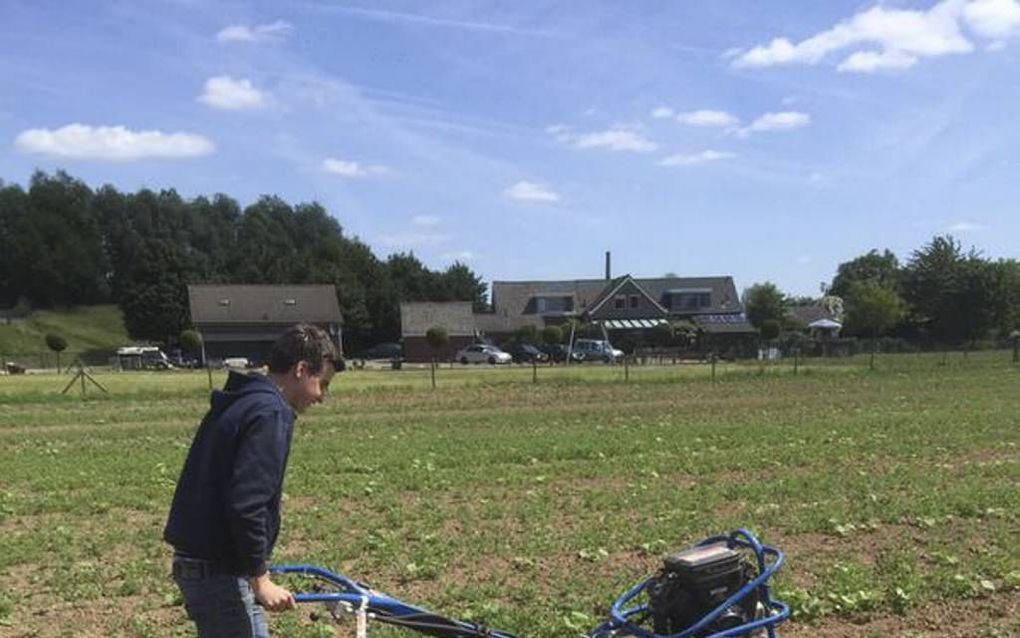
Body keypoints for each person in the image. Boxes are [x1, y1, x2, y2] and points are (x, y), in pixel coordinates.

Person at [164, 323, 342, 637]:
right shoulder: (270, 412)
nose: (322, 397)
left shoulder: (243, 399)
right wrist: (260, 579)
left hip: (202, 566)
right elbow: (246, 503)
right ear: (301, 369)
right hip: (217, 573)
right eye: (322, 384)